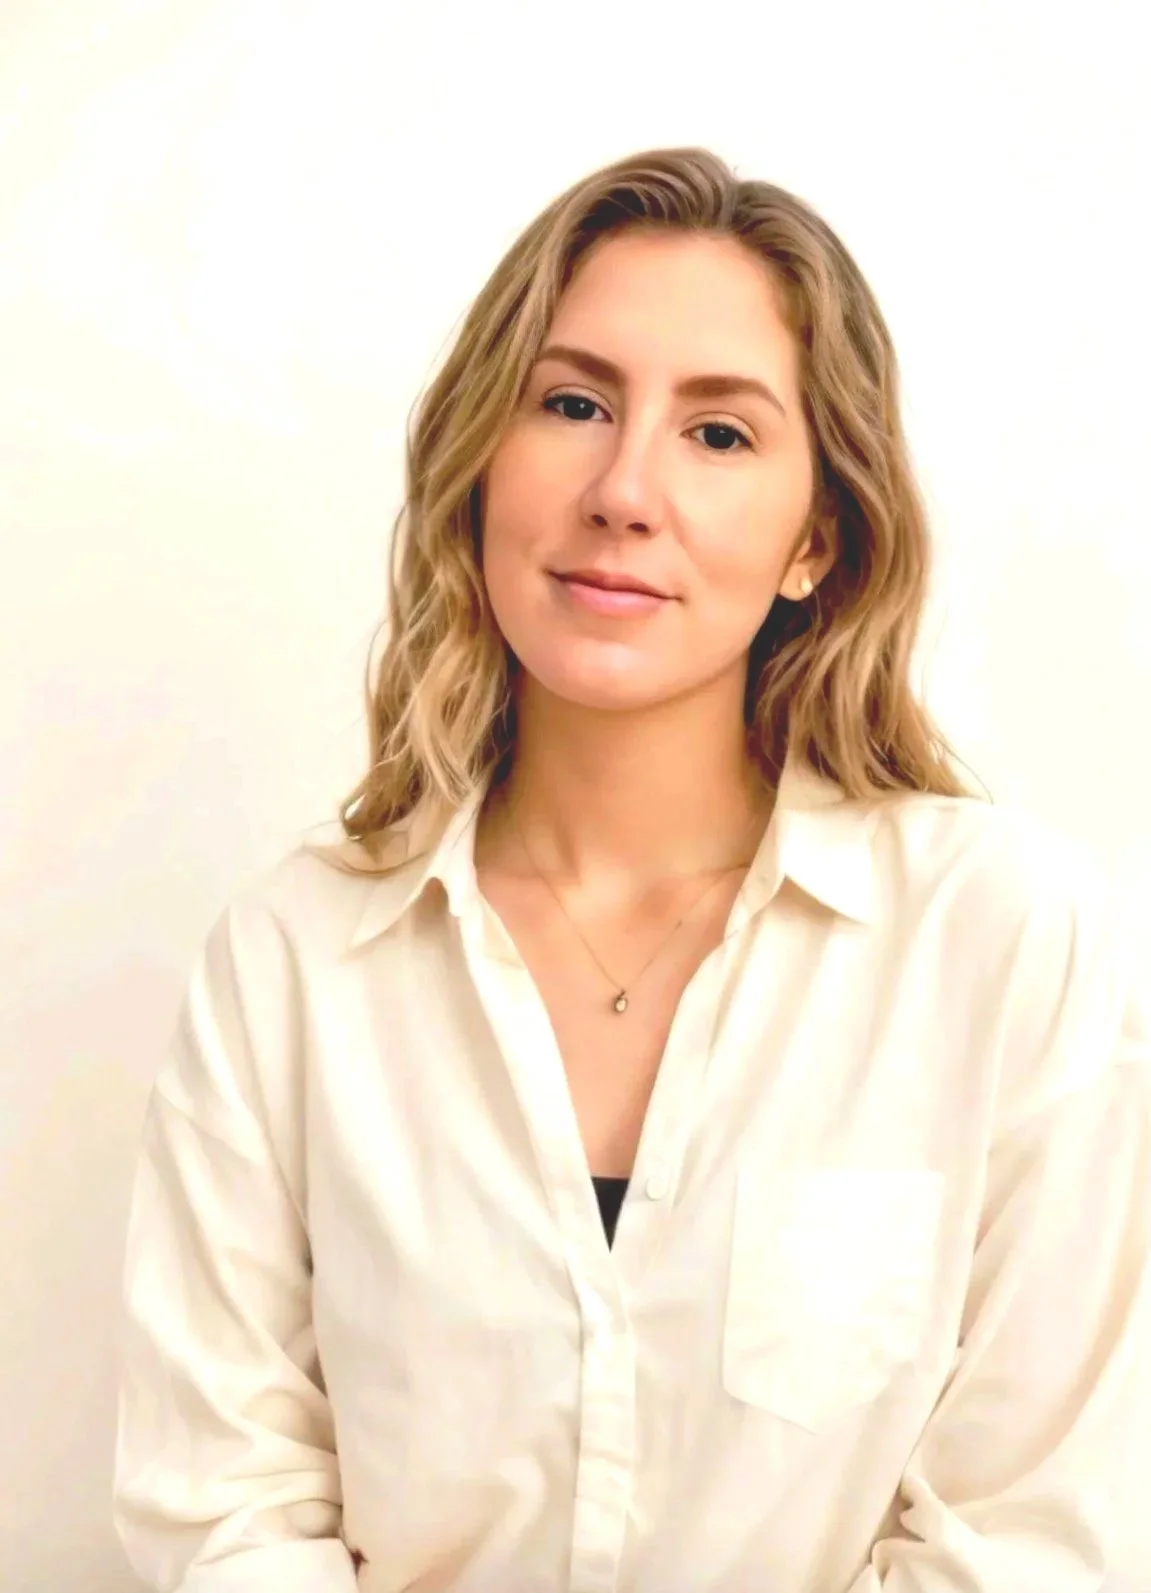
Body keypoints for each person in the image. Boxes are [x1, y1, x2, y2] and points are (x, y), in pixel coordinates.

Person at [113, 146, 1151, 1592]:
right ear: (482, 465)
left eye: (719, 436)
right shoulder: (295, 957)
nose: (623, 489)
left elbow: (1036, 1533)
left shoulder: (1002, 945)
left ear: (818, 541)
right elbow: (221, 1514)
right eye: (573, 403)